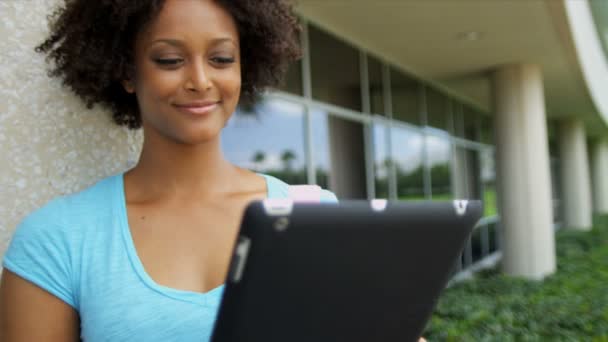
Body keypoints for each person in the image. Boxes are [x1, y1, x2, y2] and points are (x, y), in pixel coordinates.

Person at [0, 0, 335, 340]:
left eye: (221, 59)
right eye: (170, 60)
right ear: (128, 72)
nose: (200, 81)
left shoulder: (314, 218)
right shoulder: (58, 239)